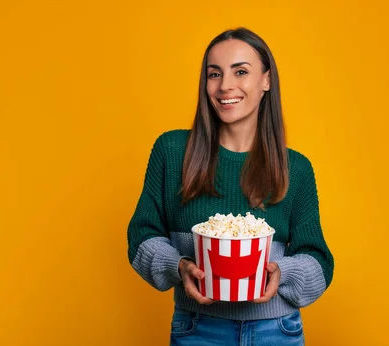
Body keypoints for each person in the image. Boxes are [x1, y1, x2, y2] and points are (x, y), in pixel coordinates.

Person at [126, 27, 334, 345]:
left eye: (240, 71)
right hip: (198, 328)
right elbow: (141, 237)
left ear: (266, 80)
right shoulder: (172, 151)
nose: (225, 86)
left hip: (277, 331)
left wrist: (283, 273)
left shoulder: (296, 169)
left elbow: (318, 262)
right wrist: (178, 266)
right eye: (214, 74)